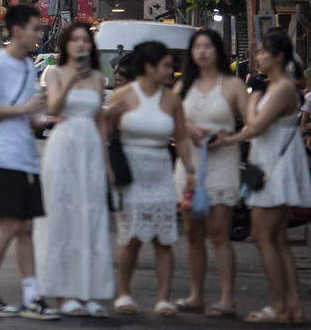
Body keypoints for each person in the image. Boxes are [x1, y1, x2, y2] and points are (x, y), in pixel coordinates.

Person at [215, 29, 311, 323]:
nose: (257, 58)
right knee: (276, 238)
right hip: (272, 161)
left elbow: (256, 125)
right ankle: (290, 306)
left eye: (262, 52)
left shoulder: (280, 88)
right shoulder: (279, 86)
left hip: (274, 166)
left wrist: (252, 102)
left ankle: (281, 305)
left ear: (279, 56)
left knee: (264, 236)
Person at [0, 3, 56, 320]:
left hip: (25, 155)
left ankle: (32, 296)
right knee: (9, 226)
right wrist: (24, 109)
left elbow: (27, 112)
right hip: (2, 156)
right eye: (35, 28)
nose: (39, 34)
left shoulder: (25, 66)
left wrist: (40, 117)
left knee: (27, 228)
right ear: (17, 30)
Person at [34, 22, 113, 318]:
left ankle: (88, 293)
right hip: (64, 145)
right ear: (65, 44)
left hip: (90, 147)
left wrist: (106, 163)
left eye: (85, 41)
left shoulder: (97, 78)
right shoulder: (54, 73)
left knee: (90, 218)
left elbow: (99, 121)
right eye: (75, 40)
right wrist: (70, 81)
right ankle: (64, 293)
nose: (81, 45)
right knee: (64, 218)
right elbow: (54, 109)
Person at [106, 41, 190, 317]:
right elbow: (104, 134)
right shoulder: (122, 95)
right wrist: (107, 167)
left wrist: (190, 171)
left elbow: (181, 138)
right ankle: (123, 293)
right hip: (131, 171)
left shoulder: (172, 99)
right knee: (131, 238)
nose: (171, 71)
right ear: (149, 67)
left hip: (161, 169)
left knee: (163, 239)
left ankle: (164, 297)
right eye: (166, 65)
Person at [171, 29, 246, 318]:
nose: (202, 51)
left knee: (219, 233)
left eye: (208, 46)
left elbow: (251, 124)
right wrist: (188, 128)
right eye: (197, 47)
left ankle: (227, 299)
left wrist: (227, 138)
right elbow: (170, 122)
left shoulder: (233, 86)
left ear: (218, 51)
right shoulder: (183, 86)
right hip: (188, 166)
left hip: (221, 163)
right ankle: (196, 295)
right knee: (192, 234)